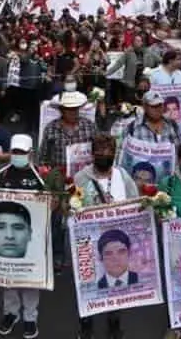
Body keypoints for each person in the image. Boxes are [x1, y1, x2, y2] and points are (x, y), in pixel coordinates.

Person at [74, 134, 139, 339]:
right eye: (100, 150)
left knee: (115, 281)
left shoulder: (123, 176)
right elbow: (72, 208)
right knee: (88, 284)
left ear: (115, 153)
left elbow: (136, 203)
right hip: (88, 242)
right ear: (92, 153)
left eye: (109, 150)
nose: (104, 154)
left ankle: (114, 323)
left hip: (115, 242)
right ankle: (86, 324)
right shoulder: (80, 178)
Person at [0, 133, 43, 339]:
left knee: (30, 278)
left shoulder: (40, 175)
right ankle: (11, 313)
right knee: (8, 277)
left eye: (22, 152)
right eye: (15, 152)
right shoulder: (1, 174)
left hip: (32, 235)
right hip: (6, 235)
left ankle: (30, 317)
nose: (18, 155)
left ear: (31, 153)